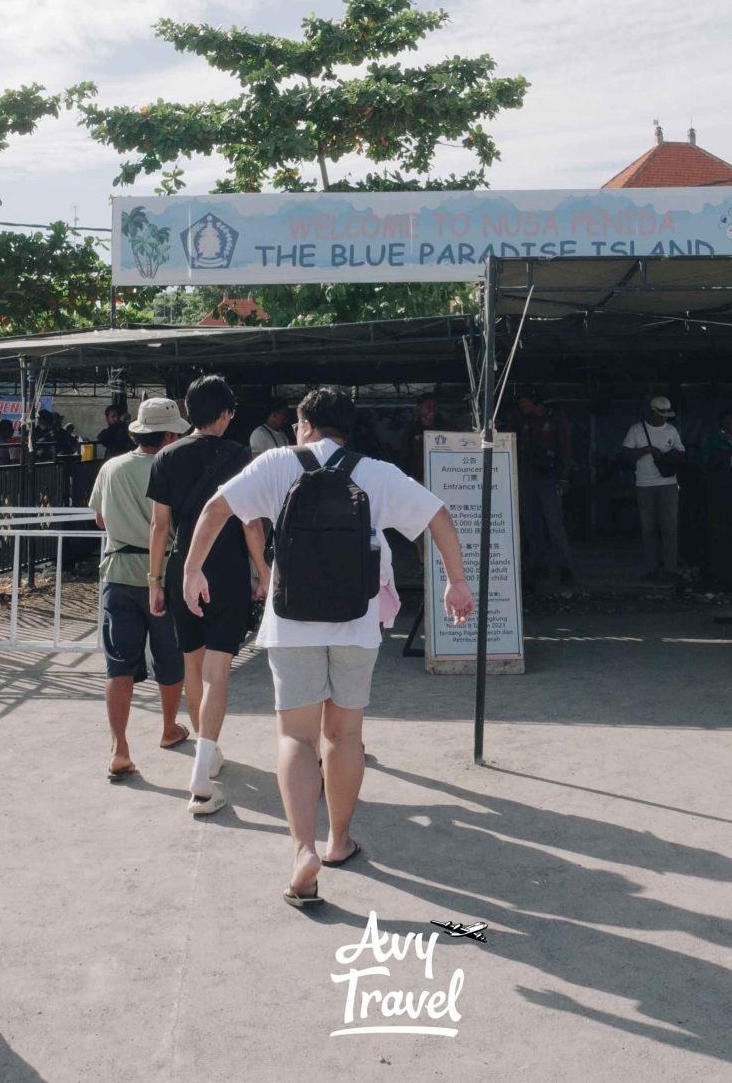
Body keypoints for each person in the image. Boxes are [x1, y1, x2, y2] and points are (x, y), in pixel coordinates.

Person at [179, 386, 474, 906]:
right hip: (356, 623)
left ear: (306, 424)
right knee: (344, 734)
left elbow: (215, 509)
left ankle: (302, 852)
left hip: (291, 622)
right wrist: (456, 582)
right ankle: (339, 840)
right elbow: (439, 516)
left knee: (296, 737)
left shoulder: (275, 464)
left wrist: (191, 569)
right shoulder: (375, 472)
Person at [148, 376, 254, 814]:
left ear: (188, 412)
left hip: (180, 568)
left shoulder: (166, 456)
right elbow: (250, 520)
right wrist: (261, 568)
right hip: (226, 568)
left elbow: (159, 526)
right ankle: (207, 752)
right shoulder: (241, 455)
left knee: (191, 659)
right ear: (226, 413)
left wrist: (154, 580)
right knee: (219, 668)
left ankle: (205, 755)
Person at [90, 398, 190, 782]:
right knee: (169, 656)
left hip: (117, 574)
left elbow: (100, 520)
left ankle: (119, 748)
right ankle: (168, 729)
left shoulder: (111, 467)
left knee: (119, 664)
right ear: (166, 435)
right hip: (162, 575)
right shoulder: (173, 468)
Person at [621, 396, 685, 581]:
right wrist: (647, 450)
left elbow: (682, 454)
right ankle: (651, 568)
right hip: (644, 484)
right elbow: (625, 454)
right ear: (650, 412)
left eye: (665, 416)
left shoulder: (671, 430)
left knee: (669, 528)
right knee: (648, 528)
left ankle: (670, 569)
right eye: (659, 415)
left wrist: (674, 454)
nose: (663, 419)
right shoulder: (636, 429)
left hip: (669, 484)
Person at [515, 394, 576, 586]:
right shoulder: (522, 421)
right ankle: (538, 566)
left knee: (554, 525)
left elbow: (566, 449)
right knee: (531, 526)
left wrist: (564, 477)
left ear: (535, 402)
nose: (522, 406)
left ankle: (565, 568)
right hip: (526, 479)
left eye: (525, 402)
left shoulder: (556, 418)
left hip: (550, 479)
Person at [398, 392, 441, 482]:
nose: (432, 410)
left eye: (435, 406)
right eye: (428, 407)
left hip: (441, 475)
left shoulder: (446, 427)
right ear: (419, 408)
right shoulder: (411, 429)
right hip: (417, 478)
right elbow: (405, 456)